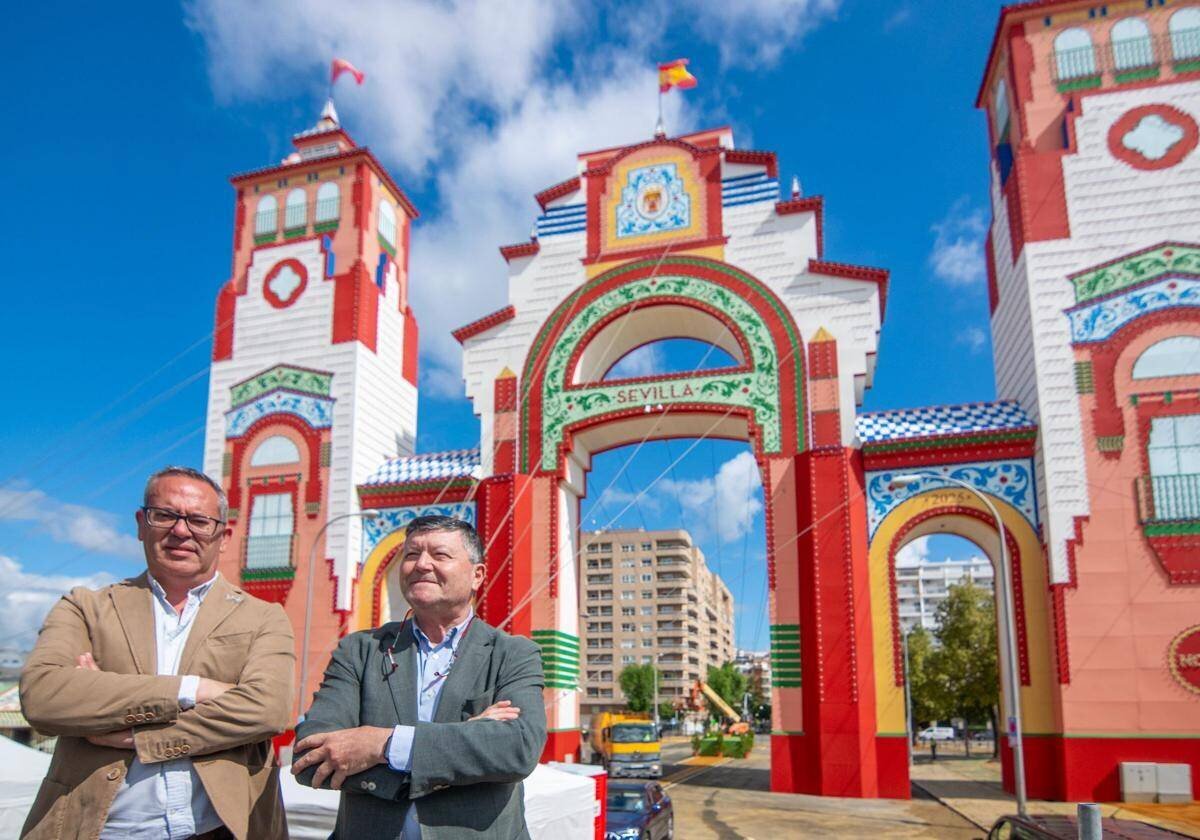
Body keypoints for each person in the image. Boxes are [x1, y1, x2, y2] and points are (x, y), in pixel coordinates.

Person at [20, 466, 295, 840]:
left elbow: (268, 709)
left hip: (220, 830)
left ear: (223, 536)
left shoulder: (264, 616)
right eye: (165, 515)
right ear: (140, 523)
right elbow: (44, 698)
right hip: (97, 829)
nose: (181, 531)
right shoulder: (87, 607)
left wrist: (135, 732)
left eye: (199, 520)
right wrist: (192, 689)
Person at [292, 515, 546, 839]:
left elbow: (517, 749)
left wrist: (380, 745)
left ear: (476, 575)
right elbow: (309, 757)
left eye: (440, 555)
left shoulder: (513, 654)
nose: (421, 564)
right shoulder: (361, 650)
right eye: (411, 554)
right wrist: (463, 740)